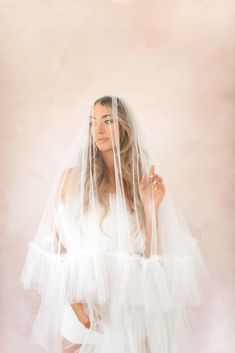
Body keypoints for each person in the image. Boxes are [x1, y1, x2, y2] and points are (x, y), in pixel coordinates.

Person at [20, 95, 207, 353]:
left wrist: (150, 209)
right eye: (92, 122)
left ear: (124, 127)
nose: (98, 130)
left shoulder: (138, 185)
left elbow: (148, 258)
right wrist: (74, 300)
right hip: (85, 308)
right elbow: (59, 244)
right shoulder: (72, 180)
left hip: (129, 310)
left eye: (107, 121)